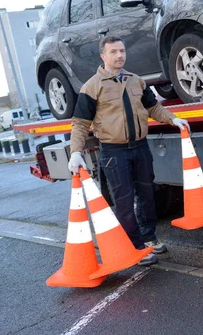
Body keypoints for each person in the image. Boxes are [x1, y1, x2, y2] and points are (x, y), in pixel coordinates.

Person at [67, 36, 189, 266]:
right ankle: (135, 247)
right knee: (123, 201)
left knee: (147, 195)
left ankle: (149, 238)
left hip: (140, 148)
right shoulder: (92, 87)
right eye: (113, 52)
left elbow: (153, 107)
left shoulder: (137, 81)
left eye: (122, 50)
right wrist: (76, 152)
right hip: (114, 152)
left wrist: (173, 119)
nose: (119, 55)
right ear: (103, 56)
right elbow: (80, 123)